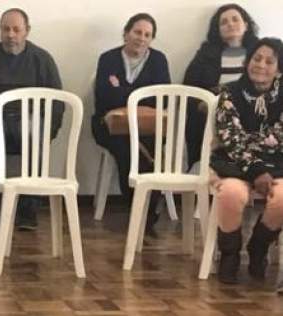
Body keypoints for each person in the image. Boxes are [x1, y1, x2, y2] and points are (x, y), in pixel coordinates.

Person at [0, 8, 63, 230]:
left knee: (33, 129)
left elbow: (57, 99)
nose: (10, 34)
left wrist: (50, 131)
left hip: (28, 119)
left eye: (16, 29)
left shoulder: (42, 59)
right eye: (5, 29)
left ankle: (28, 207)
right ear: (0, 30)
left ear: (27, 31)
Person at [210, 38, 283, 284]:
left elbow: (279, 138)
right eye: (256, 58)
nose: (260, 65)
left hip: (276, 166)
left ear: (279, 69)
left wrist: (258, 146)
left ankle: (258, 247)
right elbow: (232, 140)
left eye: (269, 61)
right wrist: (256, 168)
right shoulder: (228, 92)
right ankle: (230, 253)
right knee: (231, 193)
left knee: (282, 197)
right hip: (234, 164)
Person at [92, 13, 170, 235]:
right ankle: (137, 210)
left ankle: (148, 211)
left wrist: (122, 91)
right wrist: (137, 96)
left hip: (149, 127)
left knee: (152, 154)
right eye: (137, 32)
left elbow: (161, 99)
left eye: (147, 34)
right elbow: (104, 98)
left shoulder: (158, 60)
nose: (141, 38)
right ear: (126, 33)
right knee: (127, 152)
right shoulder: (107, 59)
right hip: (112, 127)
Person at [184, 4, 260, 169]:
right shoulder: (206, 53)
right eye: (224, 22)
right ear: (217, 29)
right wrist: (203, 103)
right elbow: (188, 88)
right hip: (214, 115)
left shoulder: (261, 51)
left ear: (246, 24)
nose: (230, 24)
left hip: (255, 114)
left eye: (235, 19)